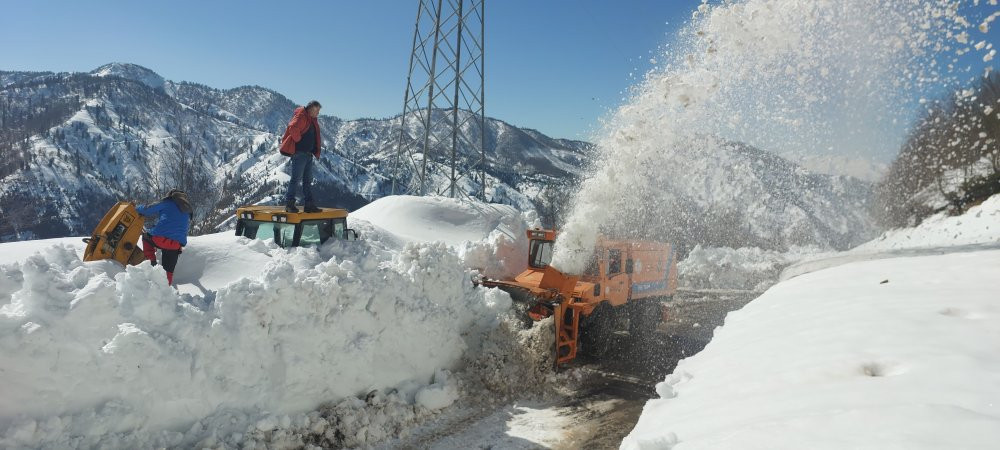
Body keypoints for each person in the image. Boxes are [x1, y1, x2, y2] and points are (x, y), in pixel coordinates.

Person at [136, 189, 192, 285]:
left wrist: (136, 208)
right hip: (176, 245)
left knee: (146, 237)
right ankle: (166, 290)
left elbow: (147, 209)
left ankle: (152, 262)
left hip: (160, 239)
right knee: (168, 272)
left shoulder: (167, 202)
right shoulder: (187, 210)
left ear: (171, 196)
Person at [280, 100, 323, 213]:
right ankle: (289, 204)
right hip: (300, 154)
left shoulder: (310, 119)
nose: (318, 113)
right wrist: (299, 140)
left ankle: (309, 205)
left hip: (308, 154)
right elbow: (292, 127)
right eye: (317, 110)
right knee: (295, 179)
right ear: (310, 109)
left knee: (307, 181)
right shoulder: (302, 116)